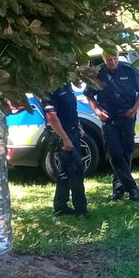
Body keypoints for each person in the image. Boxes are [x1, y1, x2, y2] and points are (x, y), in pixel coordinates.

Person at [85, 44, 139, 202]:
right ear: (104, 59)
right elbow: (89, 95)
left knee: (126, 153)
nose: (113, 62)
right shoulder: (98, 73)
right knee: (114, 154)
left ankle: (118, 189)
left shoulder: (128, 70)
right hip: (109, 119)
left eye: (115, 59)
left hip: (127, 117)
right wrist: (97, 111)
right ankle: (132, 188)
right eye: (109, 60)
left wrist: (134, 109)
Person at [42, 81, 87, 217]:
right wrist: (65, 138)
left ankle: (60, 207)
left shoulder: (66, 83)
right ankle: (81, 210)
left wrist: (78, 125)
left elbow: (70, 109)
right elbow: (51, 116)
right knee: (76, 170)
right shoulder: (49, 88)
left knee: (65, 173)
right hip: (60, 135)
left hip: (72, 132)